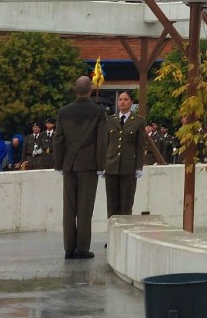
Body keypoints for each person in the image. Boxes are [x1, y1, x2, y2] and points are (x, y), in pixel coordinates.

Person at [54, 75, 109, 259]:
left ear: (75, 90)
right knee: (85, 208)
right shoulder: (98, 111)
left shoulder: (64, 111)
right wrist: (101, 164)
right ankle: (82, 248)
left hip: (69, 164)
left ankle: (69, 248)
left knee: (69, 208)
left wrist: (59, 163)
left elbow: (58, 139)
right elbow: (101, 141)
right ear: (91, 89)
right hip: (89, 164)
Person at [104, 91, 147, 218]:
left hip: (128, 167)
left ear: (131, 102)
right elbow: (105, 144)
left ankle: (125, 228)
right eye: (120, 99)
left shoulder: (138, 121)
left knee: (126, 203)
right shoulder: (110, 120)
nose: (122, 102)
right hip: (111, 166)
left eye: (125, 99)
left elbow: (140, 146)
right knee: (112, 203)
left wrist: (139, 167)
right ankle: (113, 228)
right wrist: (102, 164)